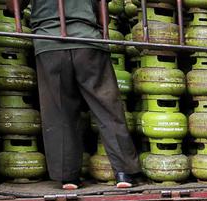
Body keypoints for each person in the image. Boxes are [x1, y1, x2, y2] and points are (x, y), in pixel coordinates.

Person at [30, 0, 142, 189]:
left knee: (59, 112)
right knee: (107, 107)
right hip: (88, 39)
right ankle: (124, 172)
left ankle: (68, 177)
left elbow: (12, 6)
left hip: (49, 41)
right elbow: (102, 9)